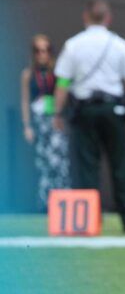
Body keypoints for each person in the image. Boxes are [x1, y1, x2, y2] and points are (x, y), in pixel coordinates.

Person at [53, 0, 125, 233]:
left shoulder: (73, 45)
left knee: (87, 167)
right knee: (120, 166)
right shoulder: (119, 45)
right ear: (108, 18)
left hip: (84, 110)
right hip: (113, 110)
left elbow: (63, 83)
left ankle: (88, 221)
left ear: (85, 17)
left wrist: (57, 113)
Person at [20, 34, 70, 209]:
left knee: (59, 162)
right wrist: (27, 126)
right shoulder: (28, 74)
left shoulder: (57, 72)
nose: (42, 54)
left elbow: (64, 92)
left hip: (55, 120)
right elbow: (25, 101)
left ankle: (63, 204)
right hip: (38, 121)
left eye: (46, 50)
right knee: (42, 164)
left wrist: (60, 115)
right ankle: (44, 205)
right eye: (38, 51)